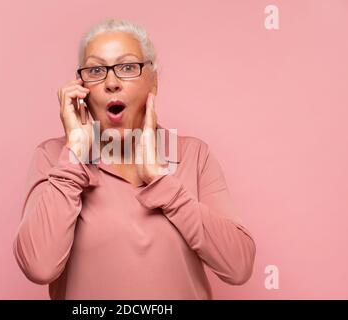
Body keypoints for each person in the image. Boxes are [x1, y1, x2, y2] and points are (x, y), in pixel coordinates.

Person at [13, 18, 256, 299]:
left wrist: (163, 183)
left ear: (152, 82)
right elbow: (38, 266)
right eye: (96, 70)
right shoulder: (54, 156)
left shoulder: (193, 154)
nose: (112, 82)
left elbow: (238, 267)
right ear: (80, 89)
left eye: (127, 67)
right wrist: (76, 153)